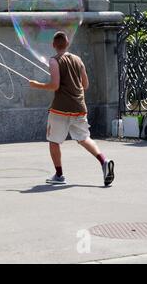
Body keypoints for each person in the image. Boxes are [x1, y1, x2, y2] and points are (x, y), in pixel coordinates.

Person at [29, 31, 115, 186]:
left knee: (54, 141)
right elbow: (85, 85)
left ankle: (59, 175)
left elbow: (55, 85)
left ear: (53, 45)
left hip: (60, 108)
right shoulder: (77, 59)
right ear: (67, 44)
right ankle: (104, 161)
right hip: (79, 106)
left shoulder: (54, 61)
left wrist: (37, 85)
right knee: (84, 138)